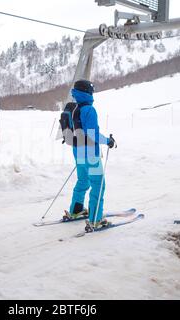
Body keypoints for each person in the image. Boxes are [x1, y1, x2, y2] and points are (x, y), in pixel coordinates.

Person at [64, 79, 116, 232]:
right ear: (87, 92)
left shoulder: (73, 108)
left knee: (83, 181)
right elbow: (93, 135)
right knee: (98, 185)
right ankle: (95, 220)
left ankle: (76, 209)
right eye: (91, 90)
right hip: (90, 154)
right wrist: (108, 141)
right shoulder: (89, 110)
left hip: (78, 151)